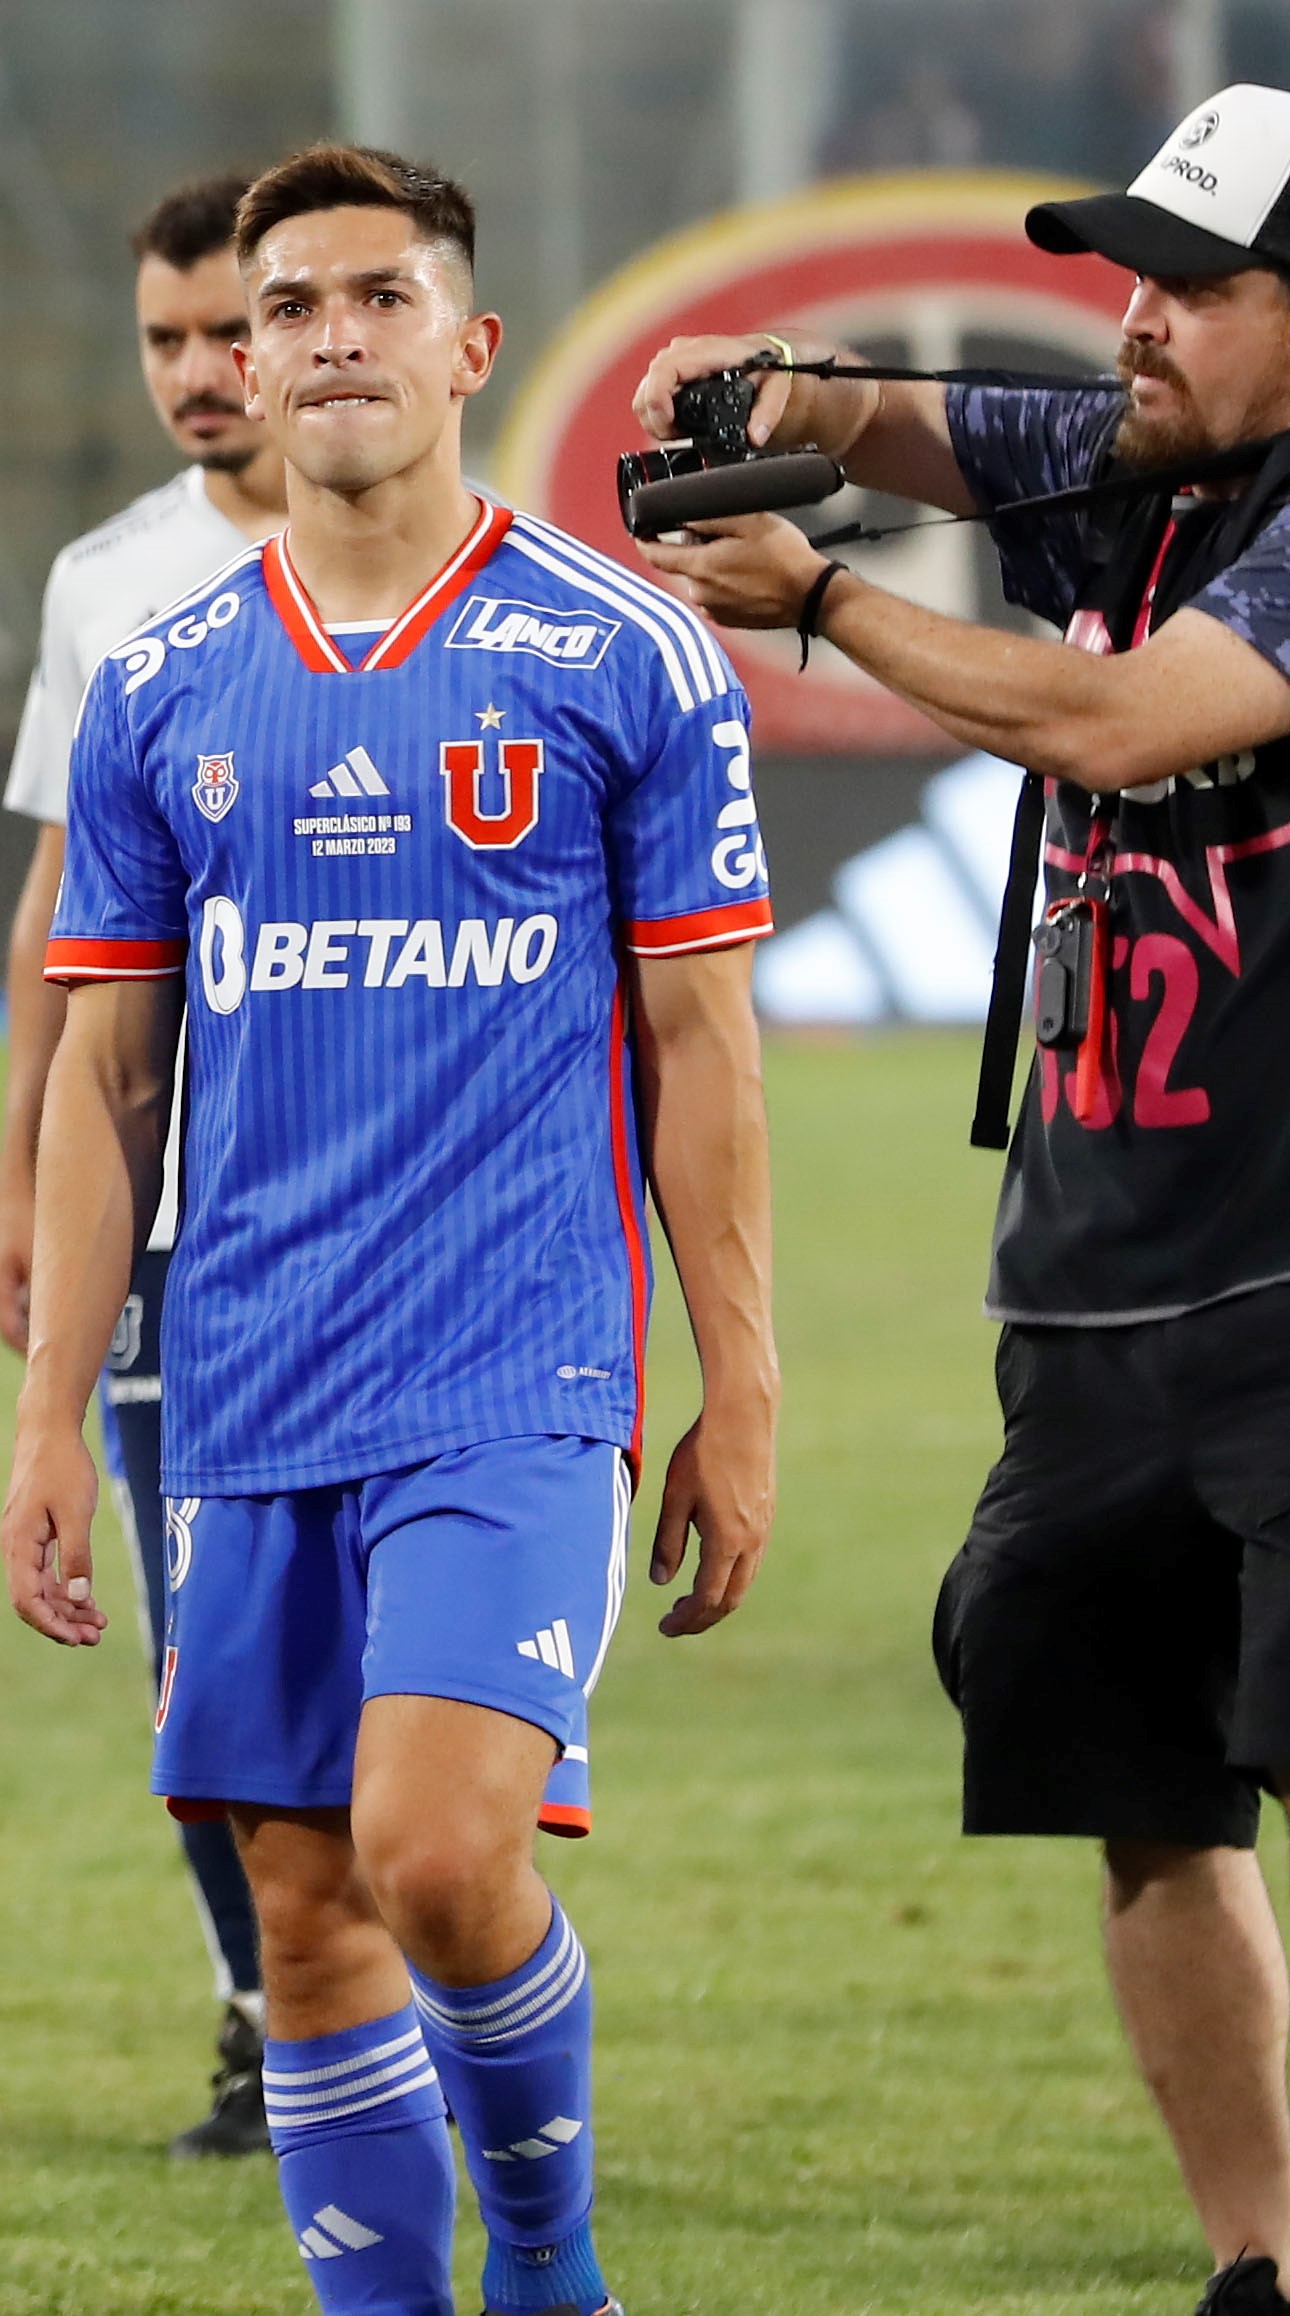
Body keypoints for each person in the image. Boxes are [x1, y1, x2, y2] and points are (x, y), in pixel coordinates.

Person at [7, 145, 777, 2316]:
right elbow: (103, 1072)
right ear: (241, 361)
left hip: (511, 1374)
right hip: (247, 1383)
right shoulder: (161, 686)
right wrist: (55, 1415)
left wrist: (744, 1385)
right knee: (304, 1907)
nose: (328, 336)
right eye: (289, 307)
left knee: (439, 1863)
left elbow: (701, 1042)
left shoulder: (614, 653)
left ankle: (548, 2277)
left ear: (468, 345)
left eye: (375, 296)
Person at [635, 83, 1290, 2316]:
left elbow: (1115, 732)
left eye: (1198, 286)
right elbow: (905, 418)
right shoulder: (1127, 456)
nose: (1139, 320)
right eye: (1130, 270)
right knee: (1152, 1797)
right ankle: (1258, 2269)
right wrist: (762, 402)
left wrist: (813, 593)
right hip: (1094, 1294)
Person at [0, 164, 288, 2162]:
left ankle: (405, 1976)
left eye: (229, 334)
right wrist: (15, 1180)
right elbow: (54, 909)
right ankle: (269, 2015)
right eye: (166, 338)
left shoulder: (479, 574)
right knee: (197, 1660)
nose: (198, 374)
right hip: (164, 1216)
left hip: (374, 1215)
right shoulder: (112, 580)